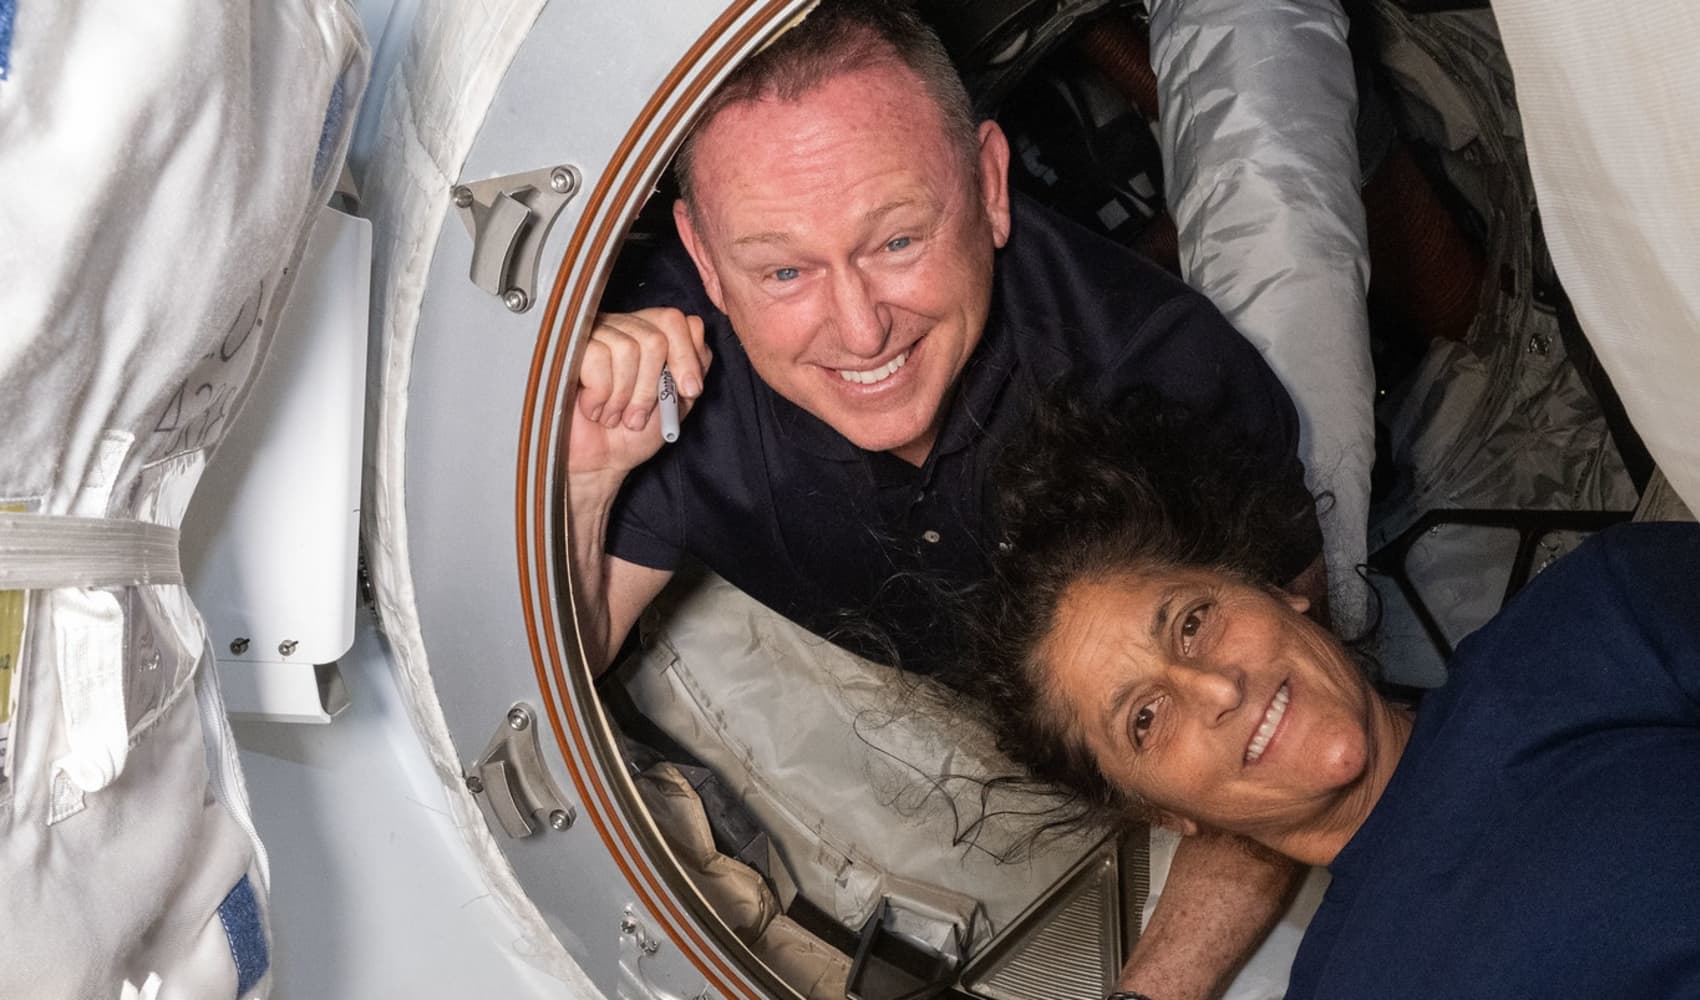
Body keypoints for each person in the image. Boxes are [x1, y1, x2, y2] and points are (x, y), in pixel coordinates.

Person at [567, 2, 1326, 994]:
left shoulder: (1159, 384)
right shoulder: (670, 367)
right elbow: (563, 654)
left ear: (990, 185)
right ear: (706, 260)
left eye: (894, 242)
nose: (858, 327)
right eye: (783, 268)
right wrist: (586, 481)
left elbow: (1288, 722)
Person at [943, 394, 1700, 998]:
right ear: (1162, 812)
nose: (1216, 688)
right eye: (1145, 719)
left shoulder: (1591, 621)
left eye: (1193, 623)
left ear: (1276, 589)